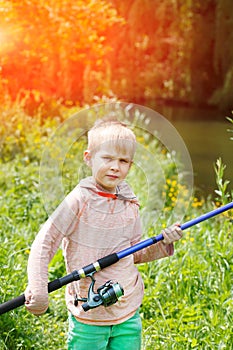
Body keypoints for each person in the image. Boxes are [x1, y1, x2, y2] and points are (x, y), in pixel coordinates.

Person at [25, 118, 183, 350]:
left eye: (123, 161)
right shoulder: (79, 200)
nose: (115, 167)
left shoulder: (129, 203)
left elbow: (134, 252)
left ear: (131, 165)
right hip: (89, 317)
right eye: (107, 158)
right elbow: (45, 243)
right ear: (89, 158)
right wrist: (37, 287)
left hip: (128, 312)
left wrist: (163, 243)